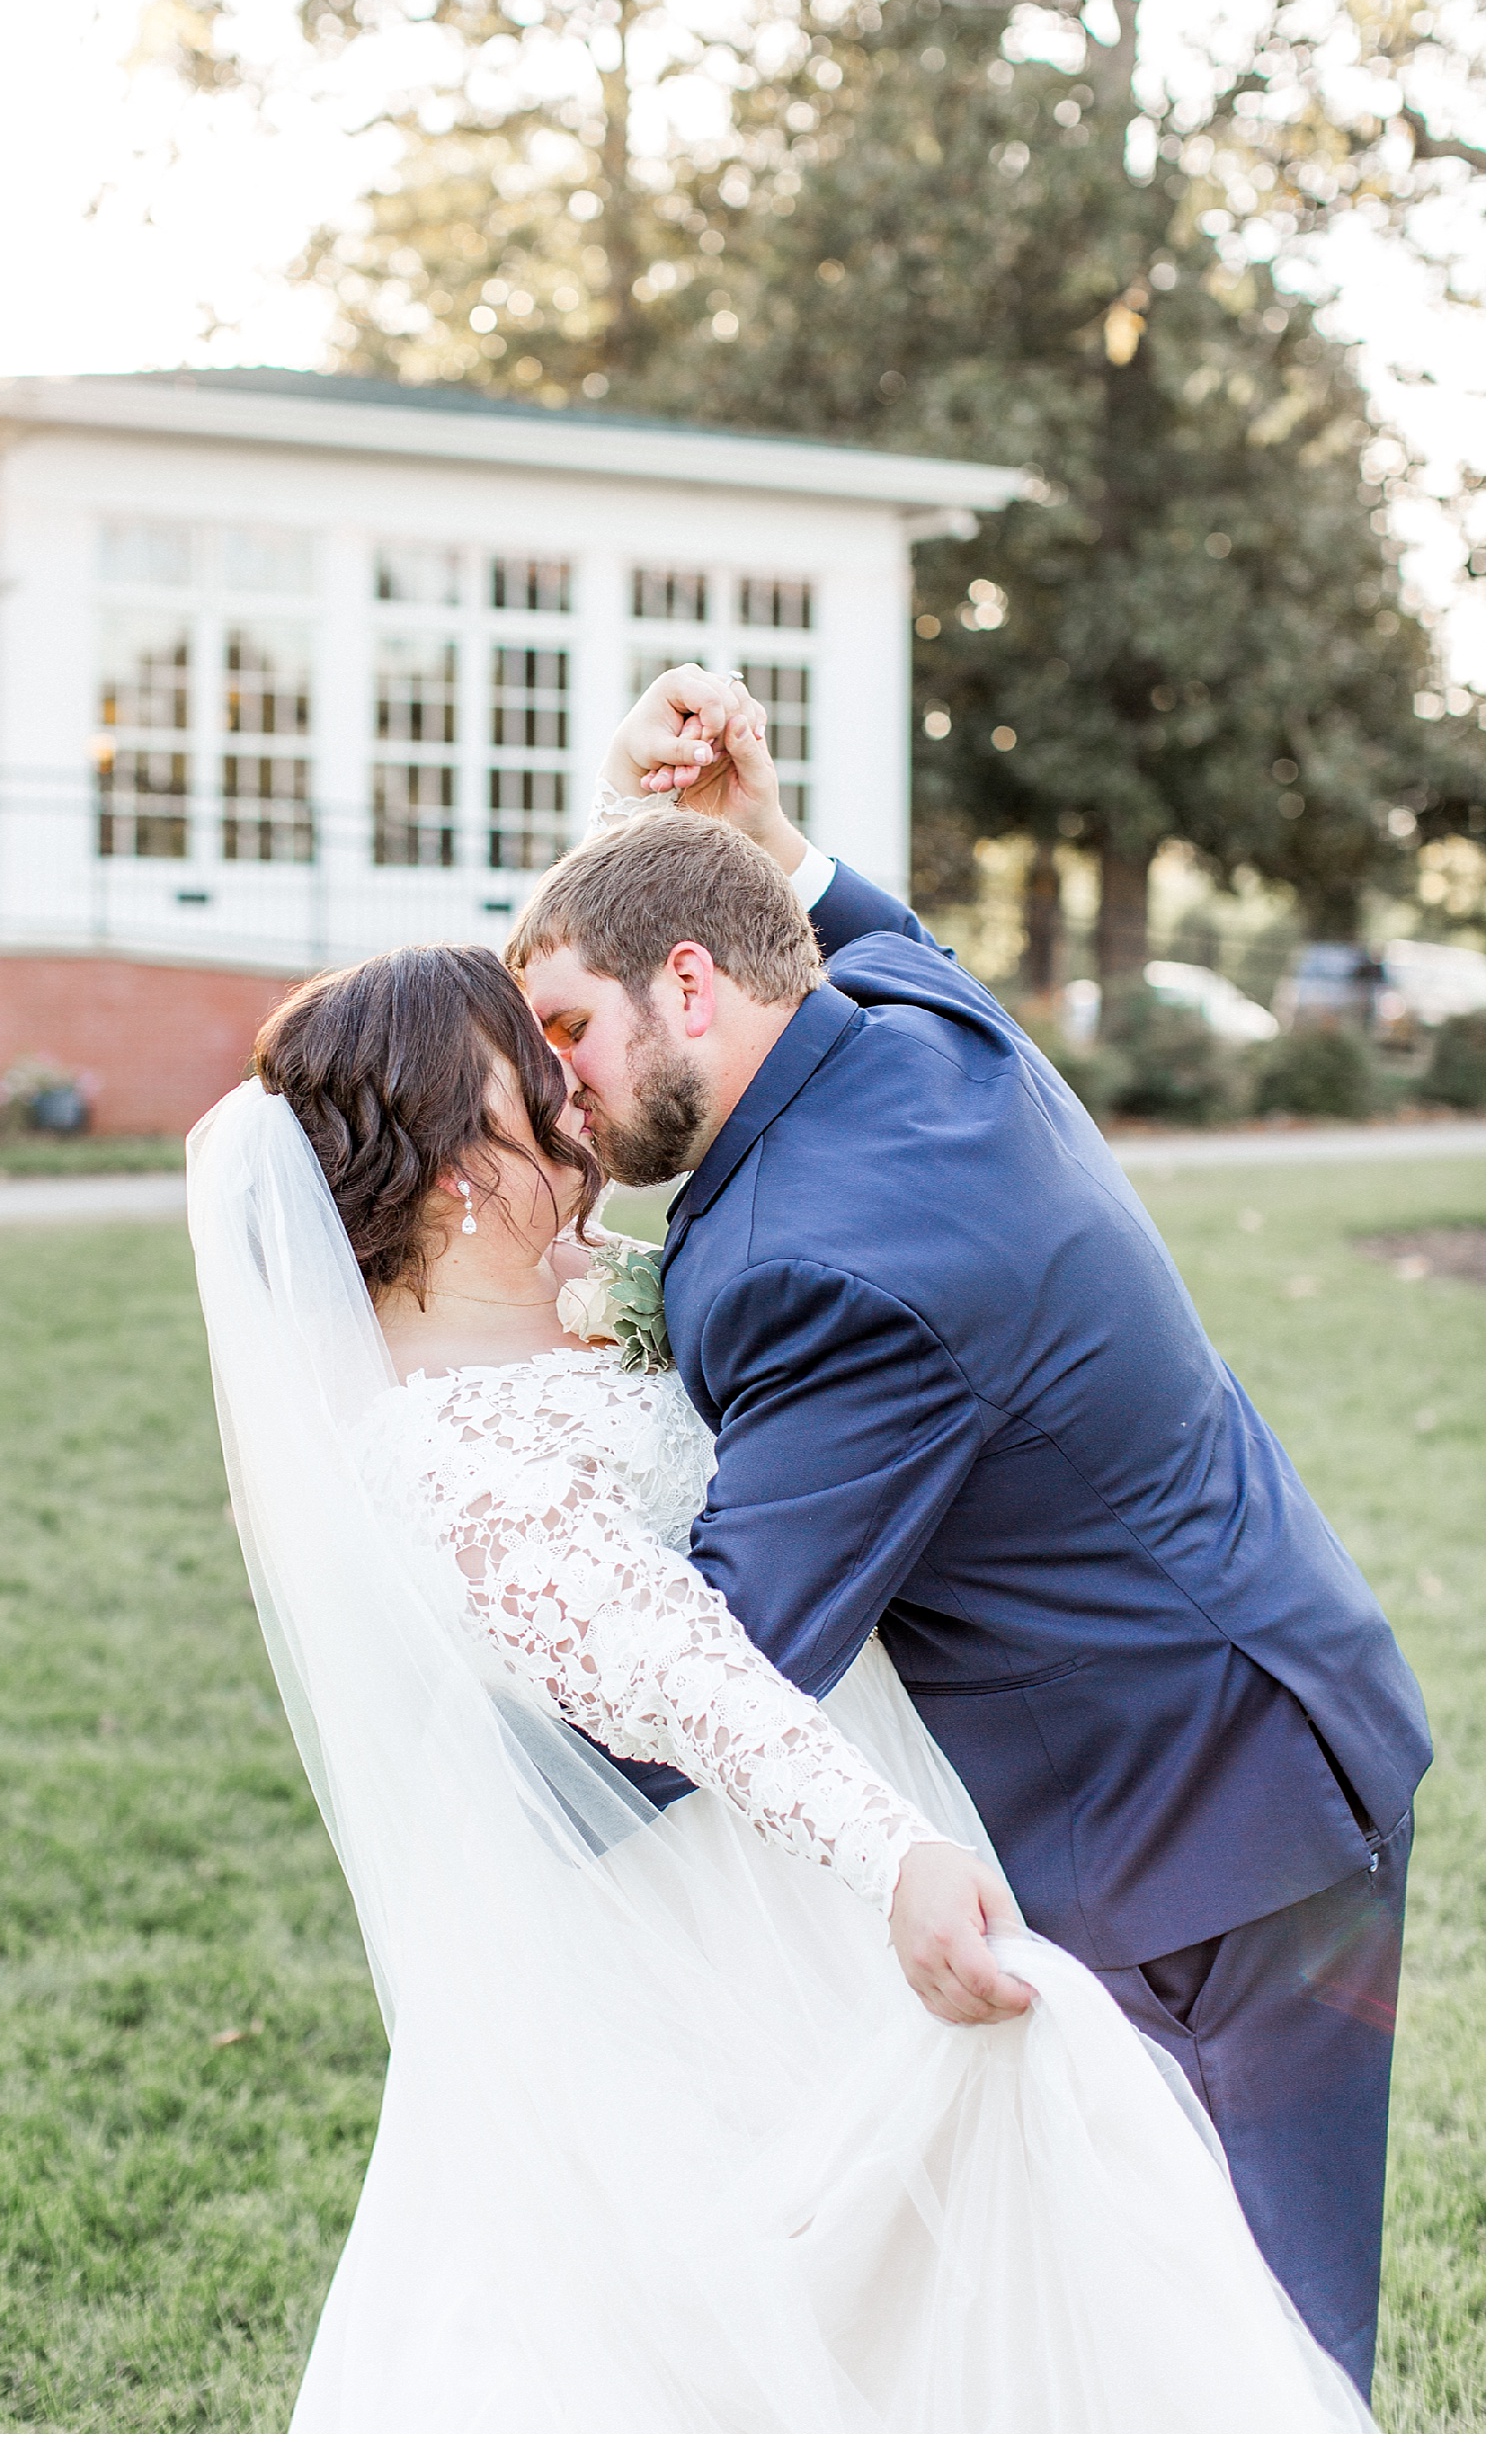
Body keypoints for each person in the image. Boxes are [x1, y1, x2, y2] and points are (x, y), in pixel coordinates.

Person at [187, 914, 1369, 2429]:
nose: (569, 1093)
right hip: (708, 1924)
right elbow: (688, 1667)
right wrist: (894, 1857)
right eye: (526, 1067)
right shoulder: (448, 1455)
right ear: (452, 1158)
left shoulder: (574, 1314)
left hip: (778, 1857)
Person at [507, 666, 1432, 2403]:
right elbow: (868, 927)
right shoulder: (901, 1023)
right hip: (1253, 1723)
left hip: (1211, 1831)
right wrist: (758, 836)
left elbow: (722, 1667)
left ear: (689, 984)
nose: (554, 1086)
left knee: (1243, 2343)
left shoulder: (829, 1265)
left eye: (566, 1027)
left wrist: (453, 1752)